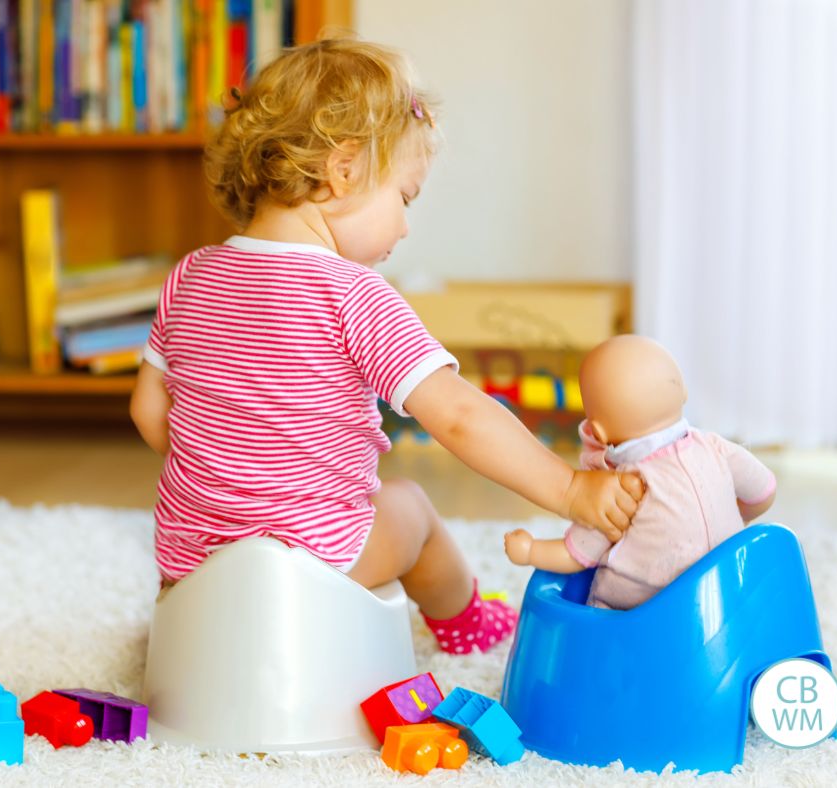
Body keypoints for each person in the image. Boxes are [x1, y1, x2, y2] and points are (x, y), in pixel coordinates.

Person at [130, 38, 643, 654]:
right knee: (410, 506)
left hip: (190, 566)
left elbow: (150, 412)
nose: (404, 225)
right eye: (404, 197)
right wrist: (568, 488)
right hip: (317, 566)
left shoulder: (190, 275)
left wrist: (234, 469)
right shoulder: (354, 293)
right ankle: (465, 623)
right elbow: (457, 415)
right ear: (342, 170)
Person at [504, 334, 777, 610]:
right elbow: (764, 493)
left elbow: (577, 555)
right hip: (723, 596)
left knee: (595, 612)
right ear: (682, 391)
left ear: (597, 431)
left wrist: (530, 550)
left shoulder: (621, 487)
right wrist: (733, 520)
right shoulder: (718, 448)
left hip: (641, 615)